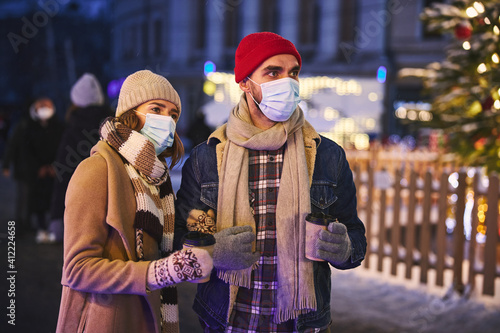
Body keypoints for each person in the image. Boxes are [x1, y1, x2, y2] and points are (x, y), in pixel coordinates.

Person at [174, 32, 367, 332]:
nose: (287, 83)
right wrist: (213, 252)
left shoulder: (328, 155)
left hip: (302, 324)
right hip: (228, 322)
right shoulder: (207, 159)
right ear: (245, 82)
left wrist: (344, 249)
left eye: (293, 73)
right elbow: (178, 244)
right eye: (273, 72)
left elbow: (356, 237)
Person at [56, 70, 213, 333]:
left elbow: (161, 252)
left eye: (173, 115)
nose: (167, 120)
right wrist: (159, 273)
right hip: (107, 320)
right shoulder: (97, 169)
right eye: (156, 108)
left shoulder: (156, 178)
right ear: (130, 114)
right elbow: (77, 270)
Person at [48, 72, 112, 243]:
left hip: (78, 208)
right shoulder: (115, 127)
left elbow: (62, 176)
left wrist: (56, 216)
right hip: (111, 209)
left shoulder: (73, 130)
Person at [2, 97, 64, 242]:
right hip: (27, 171)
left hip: (49, 171)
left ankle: (41, 227)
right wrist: (7, 165)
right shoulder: (25, 126)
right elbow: (17, 147)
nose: (45, 109)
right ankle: (22, 227)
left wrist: (54, 166)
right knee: (25, 199)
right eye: (41, 106)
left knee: (44, 199)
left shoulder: (58, 126)